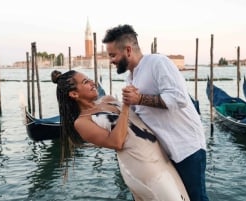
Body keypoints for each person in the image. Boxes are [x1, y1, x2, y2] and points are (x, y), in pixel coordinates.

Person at [102, 24, 209, 201]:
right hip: (164, 153)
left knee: (195, 198)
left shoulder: (158, 63)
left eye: (113, 55)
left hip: (186, 148)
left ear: (128, 50)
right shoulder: (131, 77)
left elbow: (178, 98)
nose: (111, 60)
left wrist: (139, 99)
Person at [51, 70, 190, 201]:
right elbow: (116, 142)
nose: (93, 83)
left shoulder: (108, 99)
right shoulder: (82, 122)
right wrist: (125, 106)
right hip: (142, 166)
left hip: (160, 157)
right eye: (85, 82)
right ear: (74, 94)